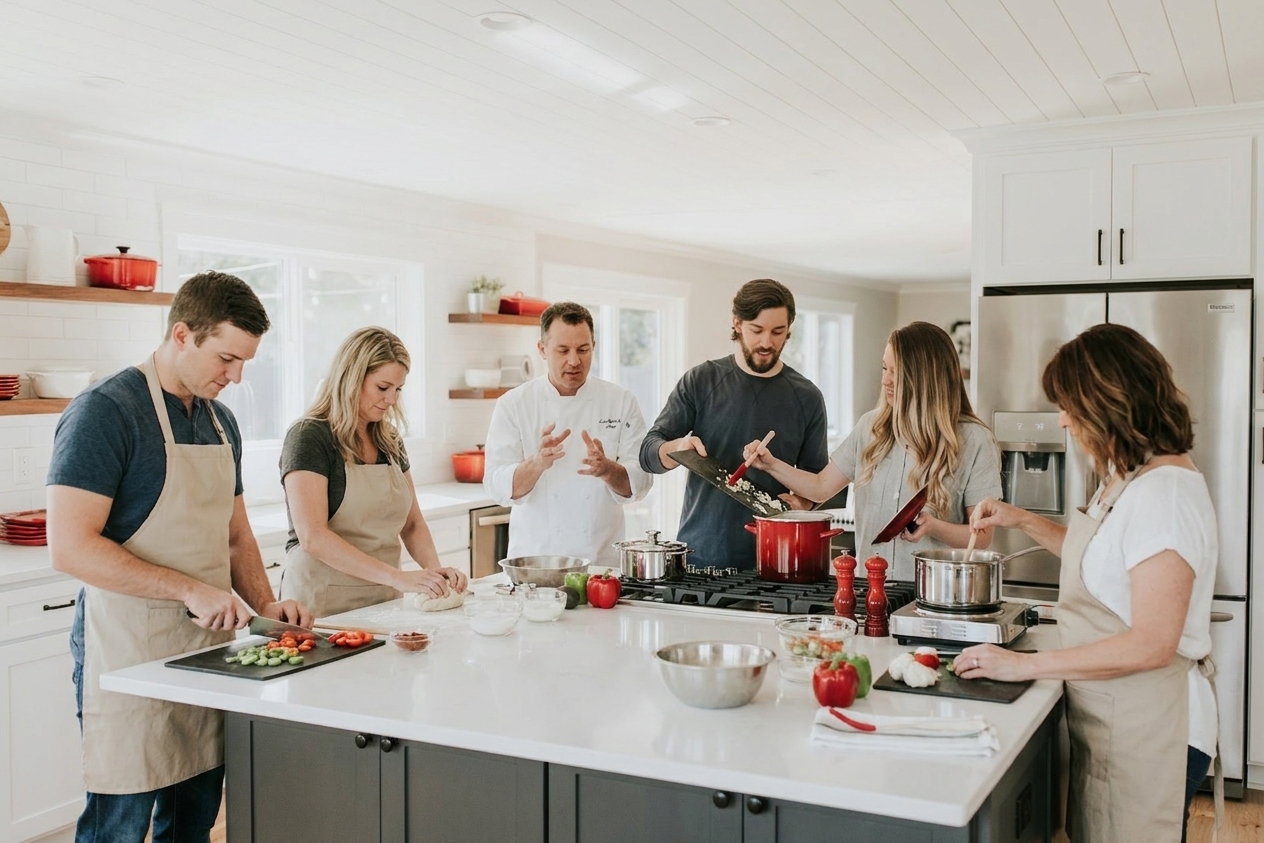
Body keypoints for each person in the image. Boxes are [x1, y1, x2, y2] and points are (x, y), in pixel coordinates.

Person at [46, 271, 313, 843]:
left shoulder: (222, 422)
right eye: (226, 358)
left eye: (245, 363)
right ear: (183, 334)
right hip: (126, 648)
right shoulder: (105, 412)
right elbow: (69, 546)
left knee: (192, 819)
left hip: (207, 649)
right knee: (120, 823)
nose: (236, 377)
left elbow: (236, 537)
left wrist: (269, 611)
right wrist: (188, 588)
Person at [954, 323, 1218, 843]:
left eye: (1070, 407)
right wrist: (1022, 519)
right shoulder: (1129, 478)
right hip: (1113, 716)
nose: (1062, 421)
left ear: (1107, 405)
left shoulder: (1164, 495)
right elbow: (1101, 556)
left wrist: (1025, 664)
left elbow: (1152, 643)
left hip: (1151, 729)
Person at [742, 321, 1001, 581]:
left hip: (936, 594)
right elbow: (821, 486)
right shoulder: (870, 427)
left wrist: (934, 526)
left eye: (896, 372)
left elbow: (982, 537)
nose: (885, 380)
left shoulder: (975, 441)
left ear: (924, 377)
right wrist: (771, 464)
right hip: (868, 589)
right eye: (884, 368)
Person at [640, 279, 829, 570]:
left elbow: (819, 480)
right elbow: (648, 453)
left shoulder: (807, 397)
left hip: (778, 560)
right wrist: (678, 447)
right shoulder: (701, 381)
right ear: (737, 323)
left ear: (789, 329)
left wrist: (806, 504)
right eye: (757, 330)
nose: (767, 342)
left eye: (778, 332)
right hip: (701, 558)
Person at [279, 327, 468, 618]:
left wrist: (434, 573)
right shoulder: (309, 436)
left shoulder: (389, 439)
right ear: (351, 378)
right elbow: (313, 536)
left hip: (383, 602)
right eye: (383, 387)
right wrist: (398, 577)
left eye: (398, 389)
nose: (391, 399)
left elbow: (413, 523)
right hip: (319, 606)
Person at [484, 302, 652, 565]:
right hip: (535, 563)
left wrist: (607, 469)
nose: (574, 361)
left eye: (583, 350)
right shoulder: (514, 404)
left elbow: (641, 481)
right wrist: (537, 463)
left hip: (600, 565)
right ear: (542, 349)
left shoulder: (621, 401)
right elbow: (496, 485)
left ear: (593, 346)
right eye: (563, 350)